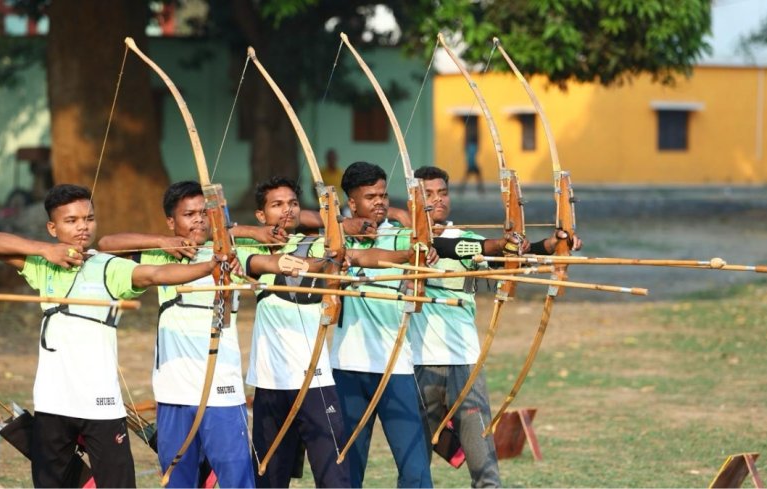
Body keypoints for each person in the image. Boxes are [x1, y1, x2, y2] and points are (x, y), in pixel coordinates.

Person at [0, 184, 236, 488]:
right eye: (71, 221)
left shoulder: (109, 265)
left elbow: (154, 274)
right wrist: (45, 250)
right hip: (52, 401)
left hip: (101, 404)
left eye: (88, 219)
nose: (82, 227)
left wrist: (209, 265)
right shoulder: (43, 265)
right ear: (52, 227)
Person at [407, 166, 582, 488]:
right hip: (415, 362)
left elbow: (506, 254)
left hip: (464, 360)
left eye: (442, 193)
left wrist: (552, 245)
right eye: (428, 195)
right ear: (414, 200)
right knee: (416, 466)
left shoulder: (467, 240)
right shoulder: (396, 239)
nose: (437, 200)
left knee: (483, 461)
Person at [238, 176, 415, 488]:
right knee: (269, 475)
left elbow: (360, 256)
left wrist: (407, 257)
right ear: (261, 215)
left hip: (316, 382)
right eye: (277, 205)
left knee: (334, 476)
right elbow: (232, 240)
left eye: (292, 203)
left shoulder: (319, 243)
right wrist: (259, 235)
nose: (288, 210)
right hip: (269, 381)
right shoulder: (247, 249)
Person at [97, 181, 255, 489]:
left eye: (203, 213)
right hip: (174, 392)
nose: (198, 220)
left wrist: (230, 258)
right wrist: (162, 242)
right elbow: (106, 244)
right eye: (188, 214)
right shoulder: (159, 256)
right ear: (172, 222)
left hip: (221, 389)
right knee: (178, 480)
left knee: (236, 478)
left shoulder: (230, 254)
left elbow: (265, 259)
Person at [330, 161, 435, 488]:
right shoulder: (334, 238)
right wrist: (342, 226)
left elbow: (428, 246)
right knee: (349, 469)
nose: (379, 202)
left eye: (383, 195)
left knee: (416, 469)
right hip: (347, 366)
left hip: (395, 366)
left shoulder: (403, 235)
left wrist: (421, 245)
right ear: (352, 203)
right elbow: (341, 248)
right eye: (370, 196)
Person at [459, 117, 485, 195]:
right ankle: (481, 191)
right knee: (477, 177)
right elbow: (473, 155)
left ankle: (461, 190)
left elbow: (469, 155)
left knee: (467, 178)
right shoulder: (474, 147)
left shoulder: (469, 147)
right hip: (473, 164)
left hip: (470, 163)